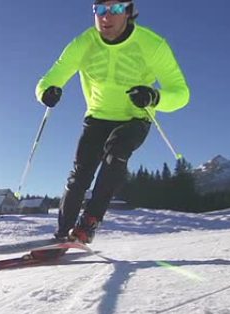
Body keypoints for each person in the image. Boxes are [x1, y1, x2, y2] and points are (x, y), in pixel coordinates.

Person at [36, 0, 190, 243]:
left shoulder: (152, 45)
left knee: (115, 153)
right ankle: (62, 233)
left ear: (128, 12)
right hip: (97, 117)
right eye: (100, 10)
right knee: (79, 176)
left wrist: (154, 96)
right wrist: (47, 92)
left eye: (116, 9)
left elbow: (181, 94)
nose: (107, 17)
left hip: (135, 118)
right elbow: (49, 78)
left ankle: (88, 223)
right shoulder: (83, 43)